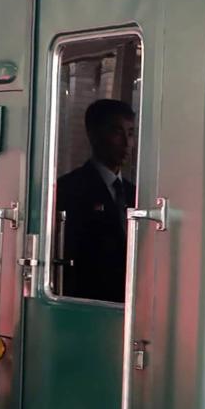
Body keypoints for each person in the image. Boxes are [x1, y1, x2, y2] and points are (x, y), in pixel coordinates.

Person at [55, 99, 137, 302]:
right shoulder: (69, 189)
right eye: (117, 132)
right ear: (93, 135)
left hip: (129, 304)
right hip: (86, 304)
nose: (127, 144)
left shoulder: (134, 192)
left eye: (131, 133)